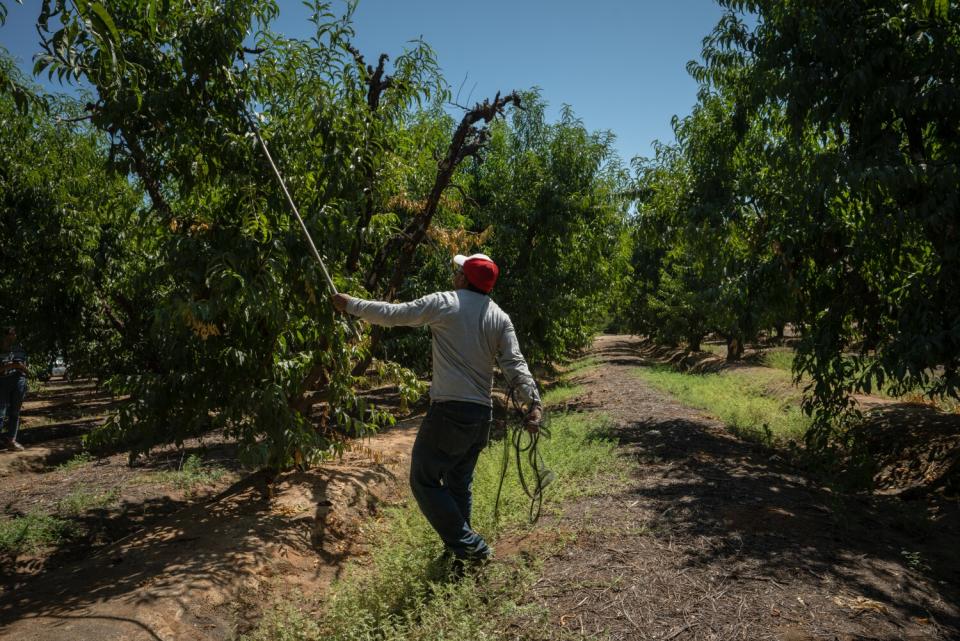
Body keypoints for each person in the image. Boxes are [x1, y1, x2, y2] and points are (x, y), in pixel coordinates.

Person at [332, 253, 542, 566]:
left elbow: (393, 314)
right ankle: (461, 555)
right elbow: (514, 364)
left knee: (423, 479)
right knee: (459, 484)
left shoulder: (446, 302)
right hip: (481, 417)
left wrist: (350, 304)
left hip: (449, 413)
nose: (454, 275)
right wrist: (533, 402)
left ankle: (472, 548)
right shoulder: (500, 316)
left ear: (464, 279)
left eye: (458, 271)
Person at [0, 326, 29, 452]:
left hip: (19, 381)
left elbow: (27, 370)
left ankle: (11, 440)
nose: (11, 337)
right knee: (1, 412)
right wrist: (10, 365)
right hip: (3, 382)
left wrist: (21, 366)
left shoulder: (21, 350)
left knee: (15, 412)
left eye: (13, 334)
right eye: (8, 335)